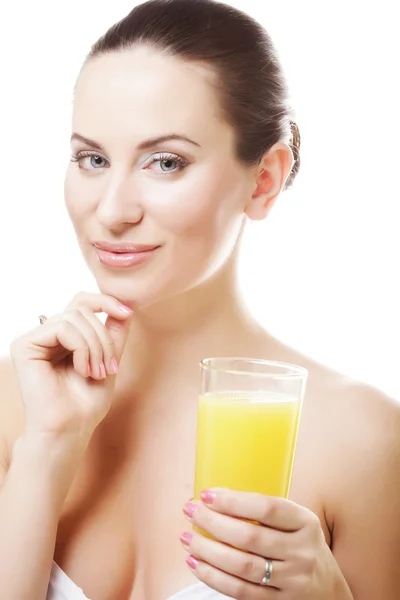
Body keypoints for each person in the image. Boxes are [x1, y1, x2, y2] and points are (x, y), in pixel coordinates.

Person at [0, 0, 399, 598]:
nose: (110, 211)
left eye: (166, 162)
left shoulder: (364, 440)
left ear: (264, 179)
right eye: (93, 158)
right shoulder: (19, 401)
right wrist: (46, 447)